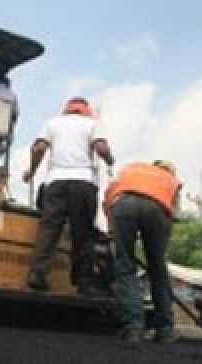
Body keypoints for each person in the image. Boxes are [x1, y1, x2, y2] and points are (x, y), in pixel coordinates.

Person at [21, 97, 113, 295]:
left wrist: (31, 171)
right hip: (83, 183)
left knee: (49, 230)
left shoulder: (52, 123)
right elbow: (101, 148)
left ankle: (37, 274)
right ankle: (83, 282)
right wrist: (110, 159)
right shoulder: (92, 124)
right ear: (87, 111)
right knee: (83, 234)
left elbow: (38, 148)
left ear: (66, 110)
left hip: (56, 183)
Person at [104, 159, 183, 345]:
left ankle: (133, 327)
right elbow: (173, 212)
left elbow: (109, 196)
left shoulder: (132, 169)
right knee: (157, 268)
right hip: (158, 209)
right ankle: (164, 330)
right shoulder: (172, 179)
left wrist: (111, 228)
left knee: (124, 265)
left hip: (123, 205)